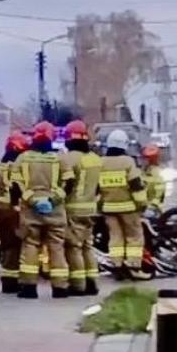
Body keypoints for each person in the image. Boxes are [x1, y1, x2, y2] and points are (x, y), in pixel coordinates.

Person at [16, 121, 74, 298]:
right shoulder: (60, 158)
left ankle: (28, 287)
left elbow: (16, 185)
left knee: (31, 246)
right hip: (55, 212)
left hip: (30, 212)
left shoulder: (22, 158)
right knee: (56, 247)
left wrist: (32, 201)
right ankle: (60, 287)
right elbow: (69, 183)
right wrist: (53, 199)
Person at [99, 129, 147, 280]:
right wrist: (142, 203)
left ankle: (118, 266)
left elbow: (96, 188)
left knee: (115, 238)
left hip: (108, 208)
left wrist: (99, 205)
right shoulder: (127, 162)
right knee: (134, 237)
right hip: (128, 208)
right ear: (124, 145)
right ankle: (133, 267)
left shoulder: (101, 162)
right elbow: (136, 184)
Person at [63, 119, 102, 298]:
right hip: (91, 209)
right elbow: (99, 187)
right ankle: (92, 282)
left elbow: (67, 185)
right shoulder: (95, 159)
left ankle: (78, 284)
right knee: (88, 246)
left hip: (73, 209)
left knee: (74, 247)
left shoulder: (69, 158)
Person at [0, 133, 29, 295]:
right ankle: (19, 279)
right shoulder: (20, 165)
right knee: (21, 243)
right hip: (17, 207)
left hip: (1, 208)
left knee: (7, 245)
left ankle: (8, 281)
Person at [141, 144, 167, 215]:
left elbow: (159, 194)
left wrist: (152, 206)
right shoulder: (143, 172)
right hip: (143, 207)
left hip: (152, 209)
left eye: (144, 158)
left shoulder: (156, 174)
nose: (141, 160)